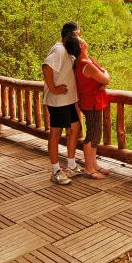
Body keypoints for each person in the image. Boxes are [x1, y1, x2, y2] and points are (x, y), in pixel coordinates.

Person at [42, 22, 83, 185]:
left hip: (68, 100)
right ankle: (55, 171)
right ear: (68, 35)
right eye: (77, 35)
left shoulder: (68, 51)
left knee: (75, 128)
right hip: (58, 102)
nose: (79, 38)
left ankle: (71, 165)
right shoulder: (59, 49)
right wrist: (53, 88)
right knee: (56, 134)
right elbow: (46, 67)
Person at [66, 35, 111, 179]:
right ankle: (89, 168)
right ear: (81, 46)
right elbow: (106, 79)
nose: (84, 39)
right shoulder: (86, 64)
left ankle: (94, 164)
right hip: (92, 103)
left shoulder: (82, 61)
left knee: (95, 134)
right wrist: (104, 73)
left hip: (89, 101)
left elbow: (98, 79)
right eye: (81, 40)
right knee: (92, 135)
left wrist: (100, 79)